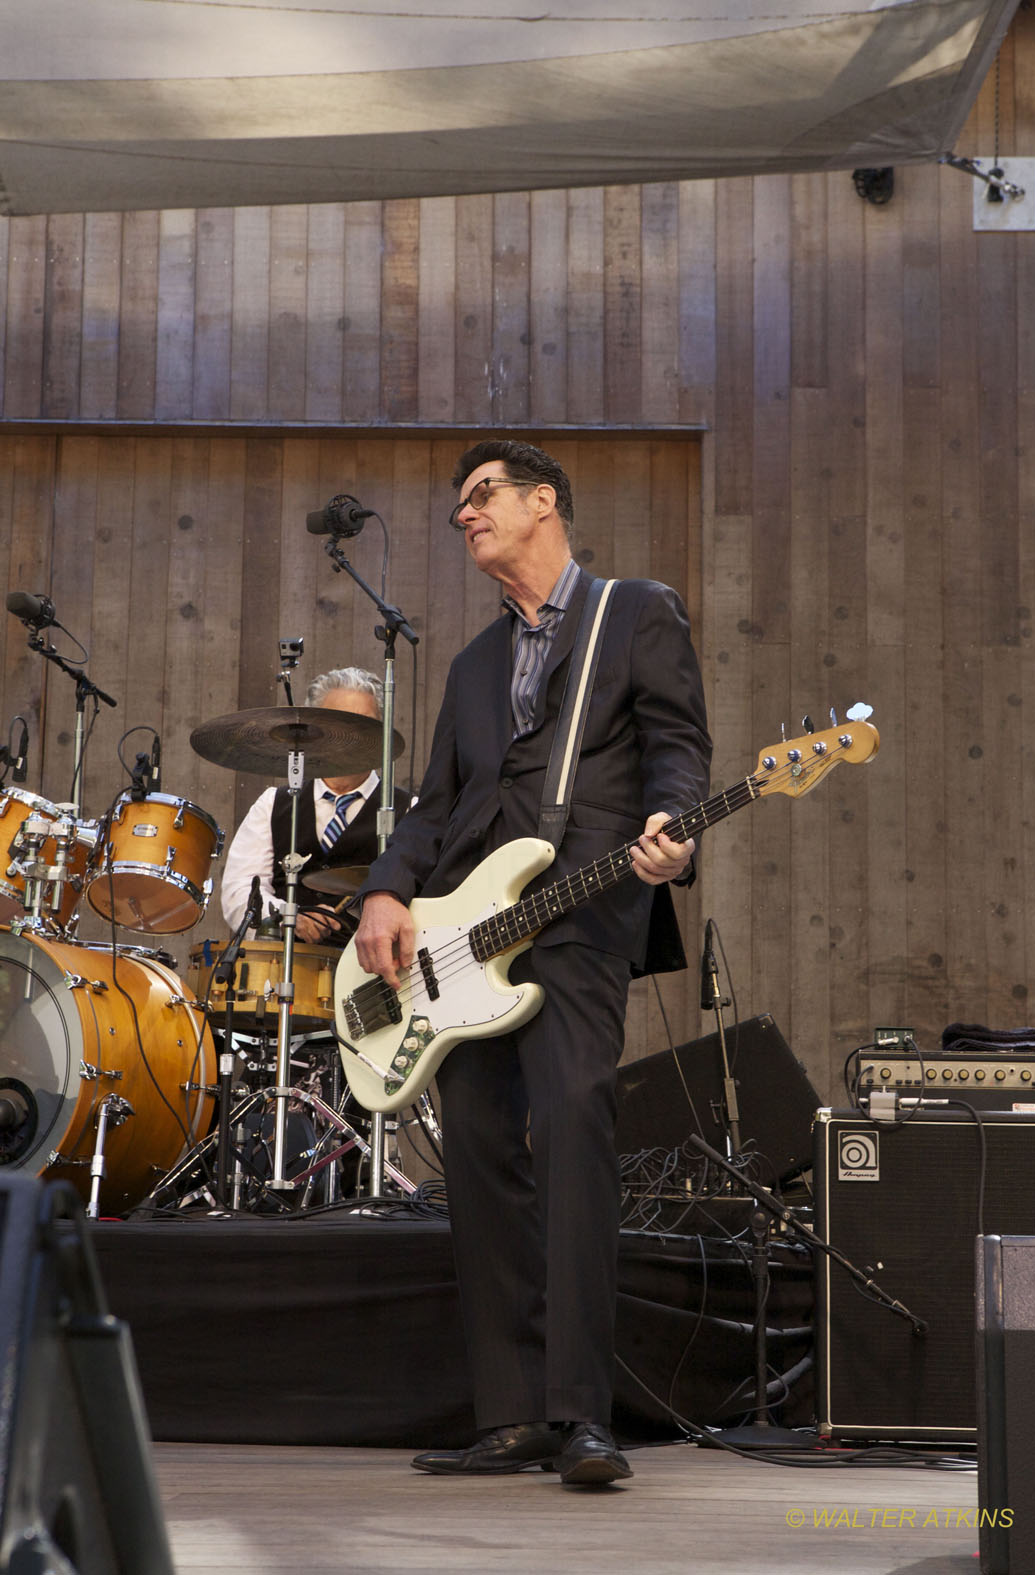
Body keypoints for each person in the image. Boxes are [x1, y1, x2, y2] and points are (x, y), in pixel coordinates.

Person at [354, 440, 711, 1487]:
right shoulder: (469, 666)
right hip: (465, 944)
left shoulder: (634, 611)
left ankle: (579, 1414)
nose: (464, 516)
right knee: (476, 1153)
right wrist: (384, 889)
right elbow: (433, 807)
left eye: (482, 497)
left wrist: (673, 828)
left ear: (542, 502)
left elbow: (677, 746)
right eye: (459, 504)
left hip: (584, 914)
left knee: (569, 1131)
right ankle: (510, 1415)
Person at [220, 665, 410, 943]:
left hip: (373, 977)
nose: (350, 736)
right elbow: (239, 892)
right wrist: (288, 916)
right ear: (313, 732)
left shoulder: (409, 810)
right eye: (339, 724)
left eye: (364, 724)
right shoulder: (273, 804)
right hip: (286, 970)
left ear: (382, 733)